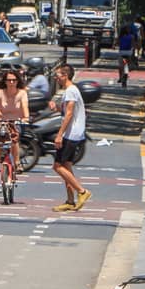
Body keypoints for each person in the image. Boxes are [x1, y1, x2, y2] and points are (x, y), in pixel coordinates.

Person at [51, 63, 91, 212]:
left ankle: (82, 191)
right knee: (66, 166)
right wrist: (55, 107)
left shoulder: (71, 91)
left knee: (57, 166)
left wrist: (60, 135)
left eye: (58, 75)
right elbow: (67, 112)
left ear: (65, 76)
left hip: (71, 134)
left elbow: (69, 114)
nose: (56, 78)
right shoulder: (71, 91)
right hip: (74, 133)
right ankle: (70, 200)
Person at [0, 67, 30, 188]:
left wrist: (25, 118)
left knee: (14, 136)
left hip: (16, 123)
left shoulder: (22, 93)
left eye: (14, 80)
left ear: (18, 81)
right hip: (0, 124)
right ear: (5, 81)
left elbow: (25, 108)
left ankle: (17, 162)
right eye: (9, 80)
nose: (11, 82)